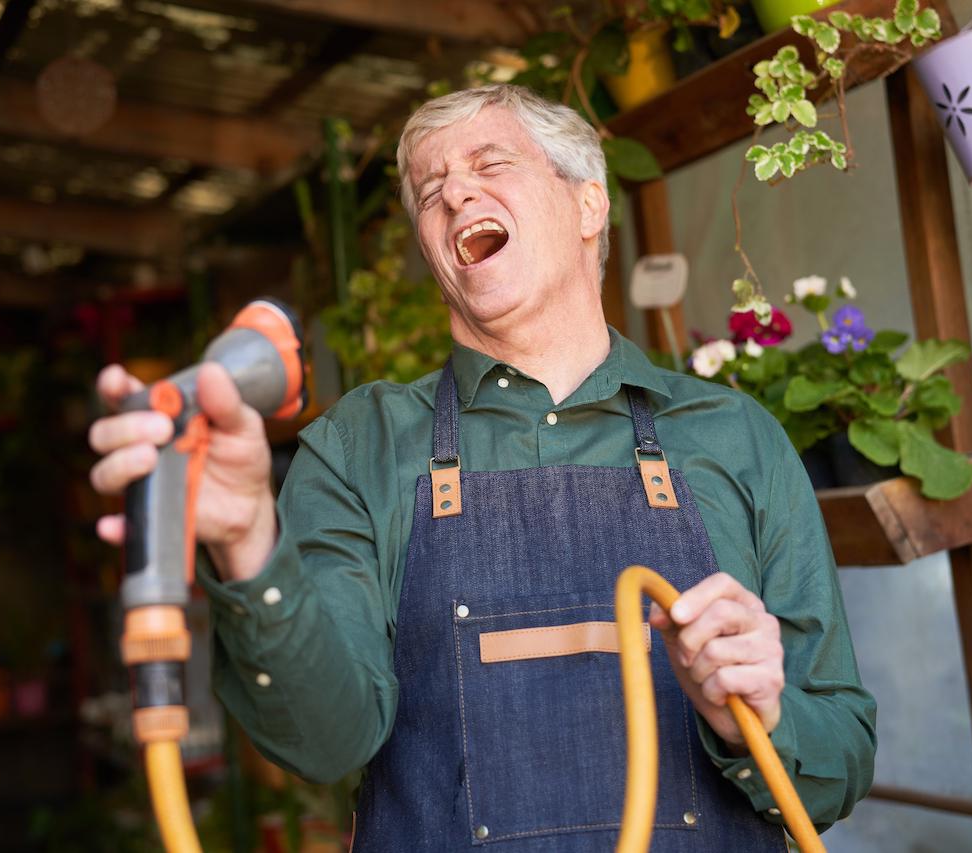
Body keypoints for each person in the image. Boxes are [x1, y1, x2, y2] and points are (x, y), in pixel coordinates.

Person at [89, 84, 876, 851]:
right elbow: (323, 742)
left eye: (490, 164)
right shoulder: (361, 446)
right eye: (429, 190)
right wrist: (248, 542)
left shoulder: (735, 437)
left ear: (588, 205)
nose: (454, 194)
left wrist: (764, 716)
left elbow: (838, 767)